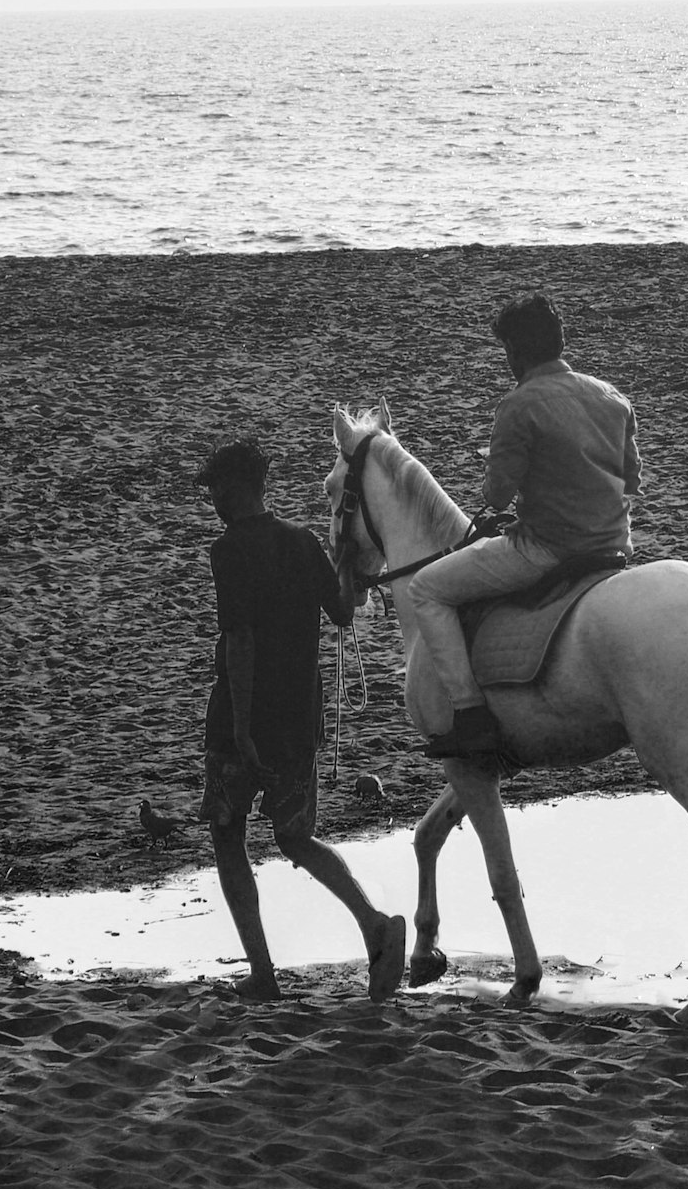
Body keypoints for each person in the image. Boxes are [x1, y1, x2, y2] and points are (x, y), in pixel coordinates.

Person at [196, 438, 406, 1001]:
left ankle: (263, 974)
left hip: (247, 718)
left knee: (226, 831)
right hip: (299, 717)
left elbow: (239, 641)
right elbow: (343, 612)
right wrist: (342, 566)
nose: (213, 499)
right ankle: (373, 923)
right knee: (295, 837)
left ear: (236, 489)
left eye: (216, 489)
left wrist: (240, 729)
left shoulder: (229, 551)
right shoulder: (304, 543)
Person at [409, 292, 642, 759]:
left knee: (426, 589)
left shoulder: (518, 405)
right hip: (614, 547)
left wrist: (498, 467)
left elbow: (495, 495)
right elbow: (631, 479)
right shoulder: (612, 398)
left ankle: (471, 714)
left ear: (515, 353)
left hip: (548, 549)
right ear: (560, 341)